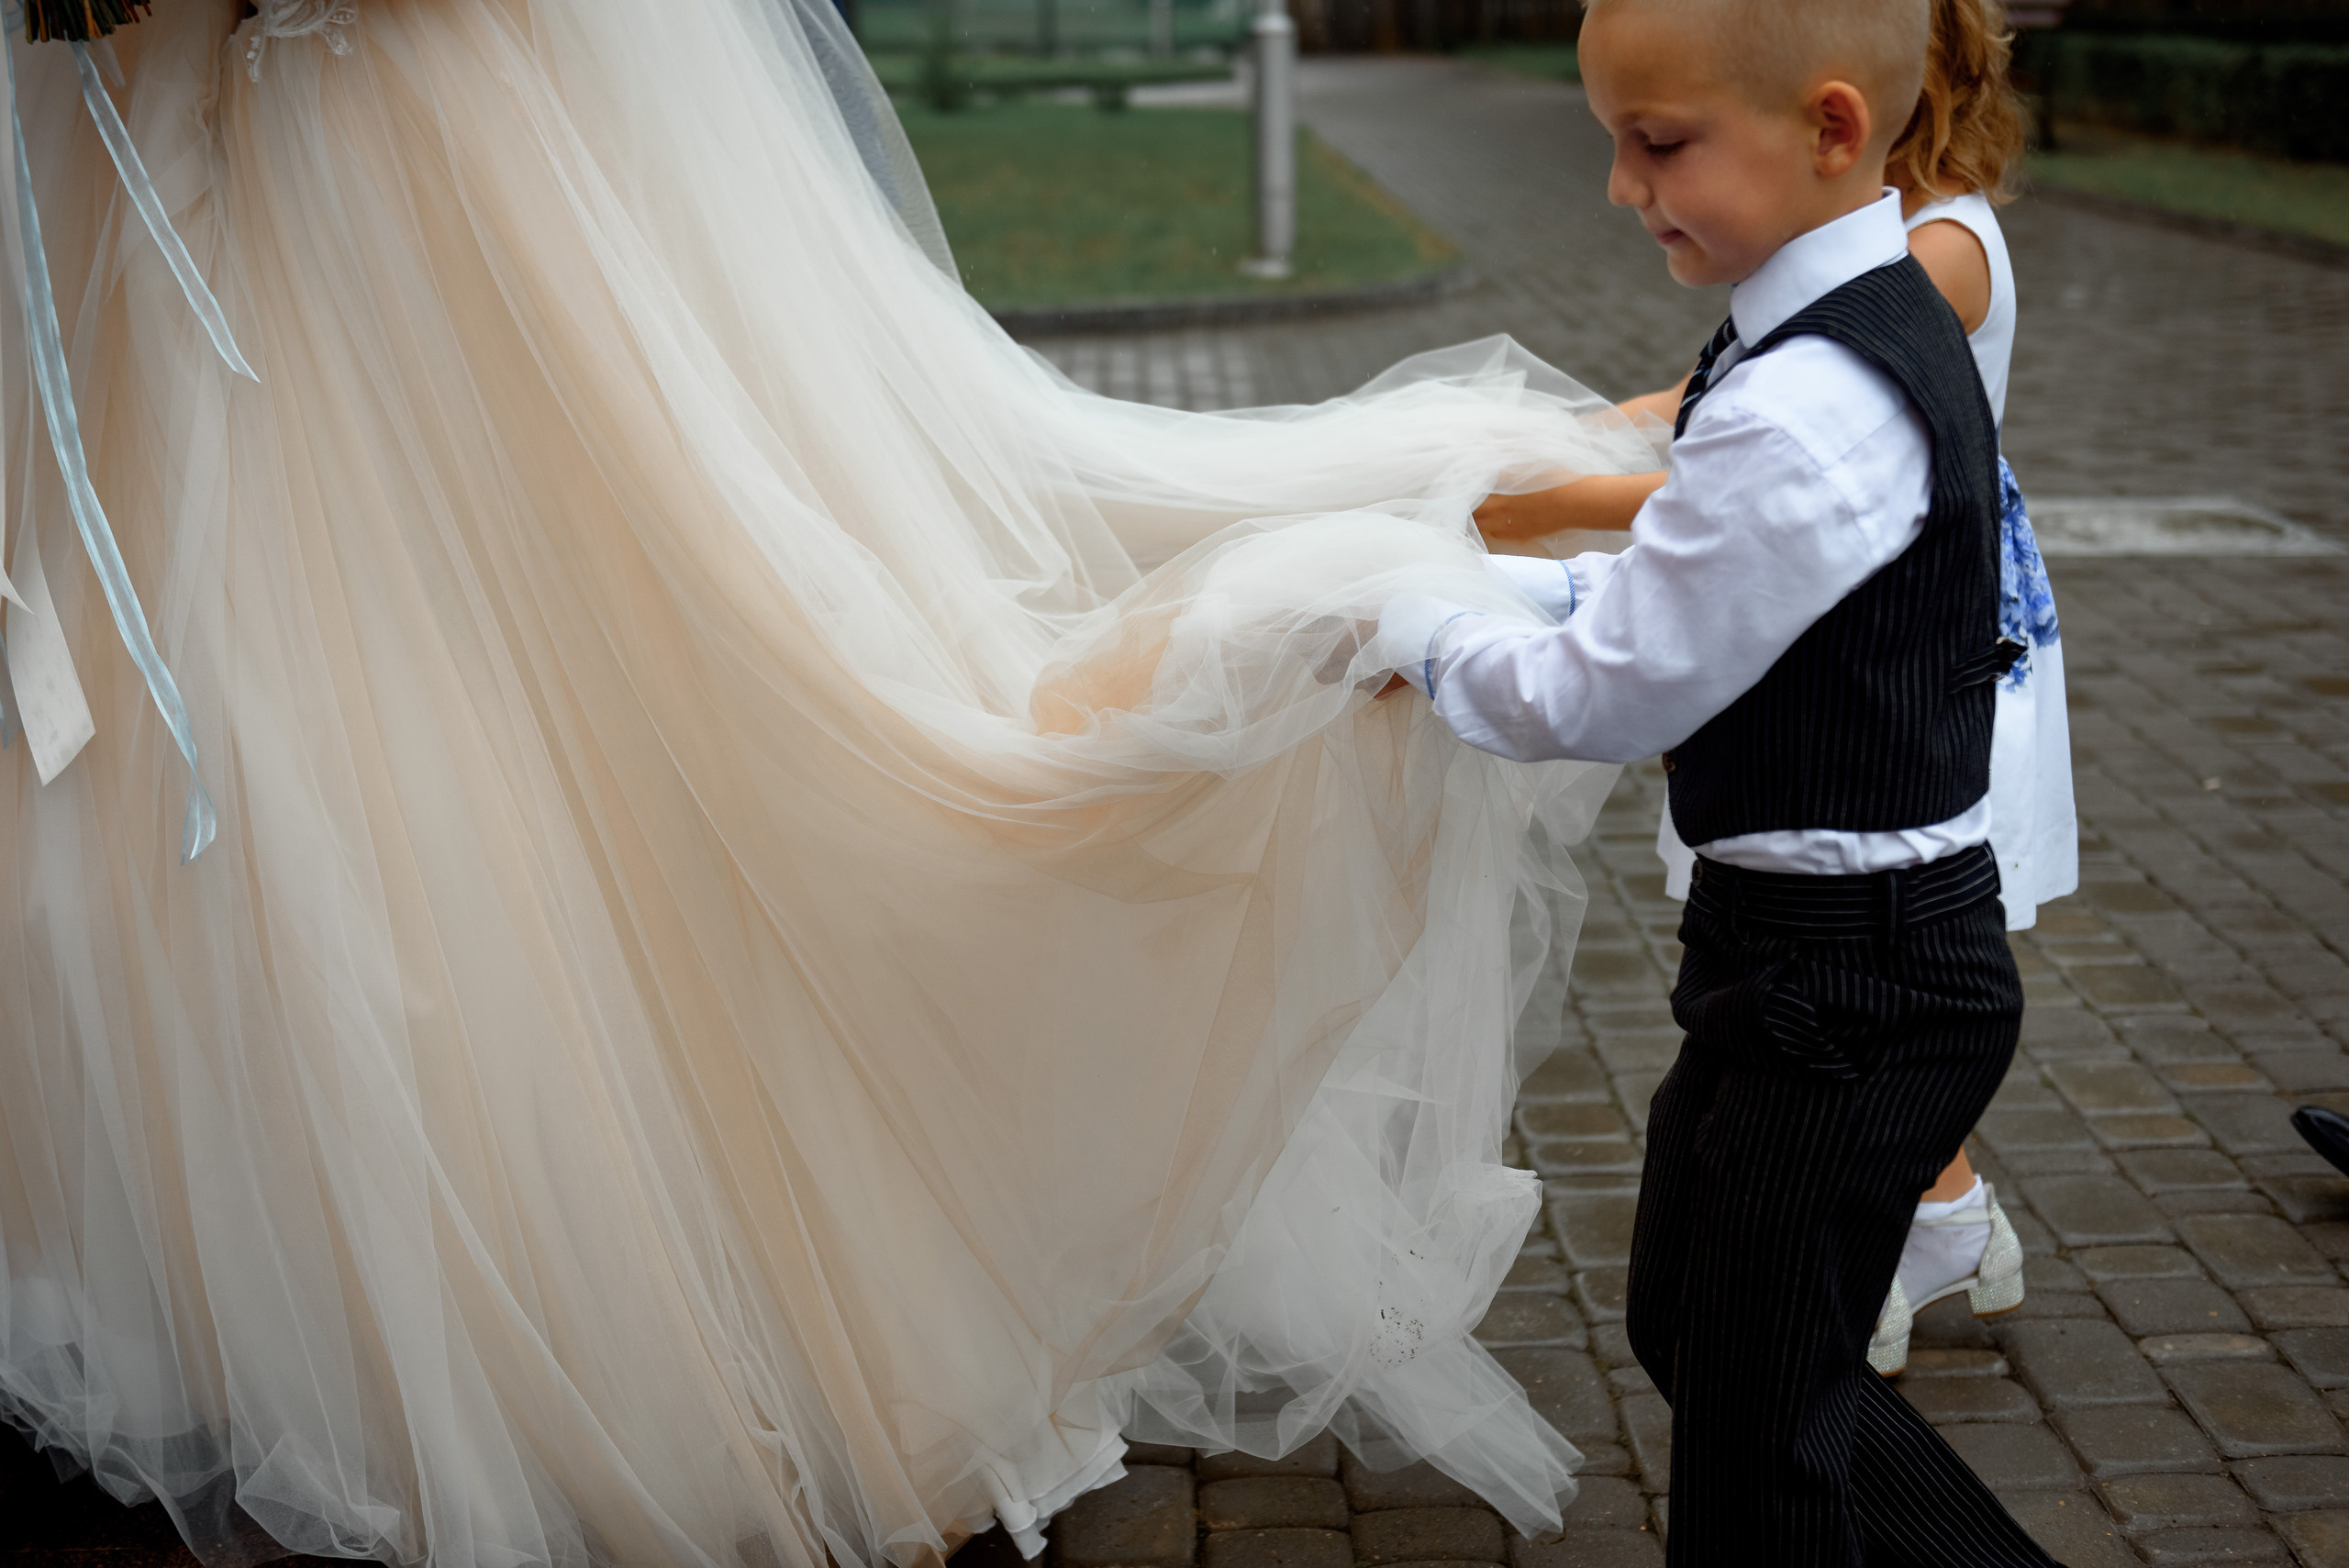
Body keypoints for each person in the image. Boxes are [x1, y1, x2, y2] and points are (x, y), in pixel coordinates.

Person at [0, 4, 1669, 1566]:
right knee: (309, 716)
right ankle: (298, 1288)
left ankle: (688, 1310)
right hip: (195, 186)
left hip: (400, 176)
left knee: (637, 671)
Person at [1375, 0, 2063, 1560]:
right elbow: (1675, 602)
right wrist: (1482, 598)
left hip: (1857, 978)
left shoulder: (1818, 402)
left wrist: (1407, 625)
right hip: (1799, 961)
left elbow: (1606, 689)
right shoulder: (1811, 328)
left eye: (1658, 142)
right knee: (1701, 1324)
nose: (1624, 188)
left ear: (1831, 128)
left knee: (1756, 1424)